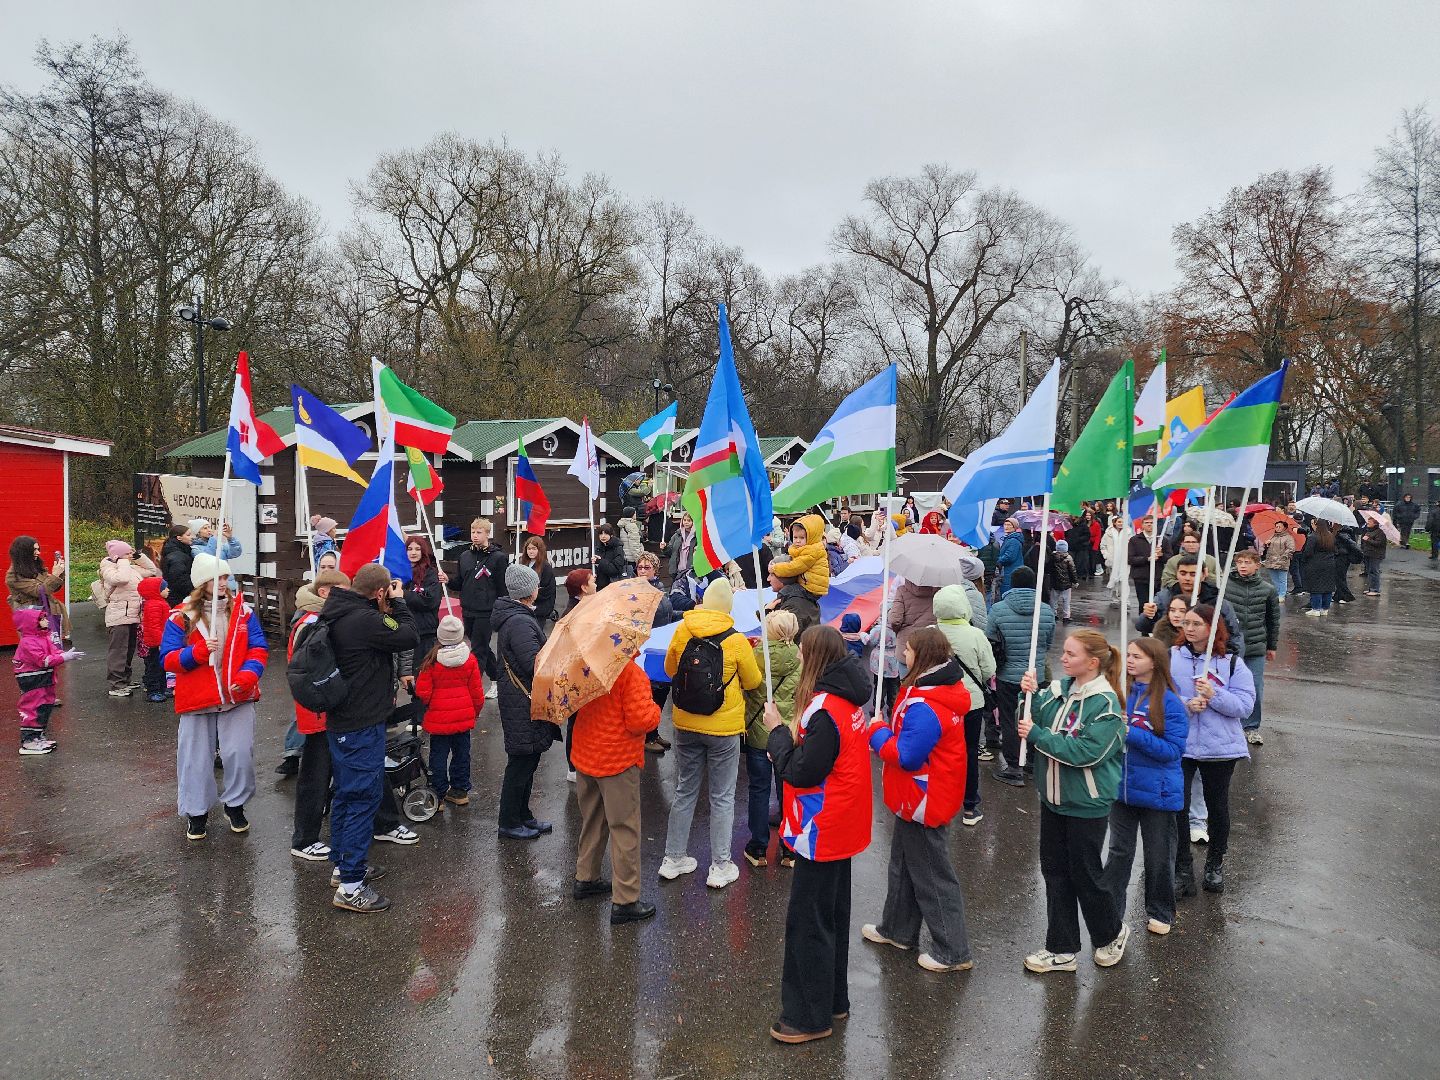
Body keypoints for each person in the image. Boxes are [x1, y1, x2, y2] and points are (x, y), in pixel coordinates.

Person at [763, 625, 873, 1044]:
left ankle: (808, 1017)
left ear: (814, 656)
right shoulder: (846, 700)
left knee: (808, 923)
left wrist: (777, 732)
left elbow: (800, 771)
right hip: (840, 823)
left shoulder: (825, 709)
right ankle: (832, 1000)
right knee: (831, 914)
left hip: (821, 826)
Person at [862, 628, 975, 973]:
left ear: (921, 656)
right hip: (919, 794)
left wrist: (877, 732)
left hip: (924, 796)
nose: (902, 653)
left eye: (906, 649)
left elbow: (908, 755)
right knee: (905, 866)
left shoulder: (927, 704)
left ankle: (953, 950)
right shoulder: (934, 690)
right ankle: (897, 929)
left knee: (932, 875)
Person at [1016, 630, 1128, 974]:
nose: (1062, 659)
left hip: (1086, 805)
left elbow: (1086, 753)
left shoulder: (1106, 705)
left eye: (1070, 654)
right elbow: (1029, 721)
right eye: (1063, 652)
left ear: (1092, 662)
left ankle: (1111, 933)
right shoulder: (1058, 691)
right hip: (1053, 801)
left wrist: (1037, 735)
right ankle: (1061, 948)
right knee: (1055, 873)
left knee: (1085, 874)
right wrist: (1028, 696)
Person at [317, 562, 418, 912]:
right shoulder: (364, 620)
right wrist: (400, 602)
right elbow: (408, 635)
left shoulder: (340, 611)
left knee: (346, 796)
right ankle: (351, 886)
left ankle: (343, 865)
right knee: (362, 797)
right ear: (379, 592)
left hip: (344, 720)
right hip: (359, 724)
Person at [660, 577, 763, 889]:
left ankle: (673, 857)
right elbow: (754, 680)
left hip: (686, 722)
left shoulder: (683, 629)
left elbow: (669, 669)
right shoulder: (736, 640)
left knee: (684, 790)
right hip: (723, 727)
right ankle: (720, 865)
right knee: (721, 796)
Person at [161, 553, 267, 843]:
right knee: (195, 759)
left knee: (239, 754)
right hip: (197, 699)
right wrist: (196, 653)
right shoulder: (181, 616)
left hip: (238, 696)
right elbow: (168, 659)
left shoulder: (243, 612)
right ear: (202, 582)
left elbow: (258, 648)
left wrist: (248, 676)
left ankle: (235, 805)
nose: (223, 582)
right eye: (216, 577)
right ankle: (196, 813)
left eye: (225, 577)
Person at [1102, 638, 1188, 936]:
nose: (1130, 660)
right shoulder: (1122, 695)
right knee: (1118, 854)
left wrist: (1131, 733)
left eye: (1137, 656)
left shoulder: (1170, 703)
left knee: (1158, 856)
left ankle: (1161, 910)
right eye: (1129, 656)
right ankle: (1111, 914)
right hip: (1122, 791)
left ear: (1155, 661)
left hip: (1158, 795)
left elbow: (1172, 751)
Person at [572, 645, 663, 924]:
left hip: (586, 754)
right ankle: (625, 900)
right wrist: (655, 709)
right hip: (616, 760)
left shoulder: (586, 666)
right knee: (624, 828)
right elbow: (639, 722)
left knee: (592, 819)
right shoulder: (632, 673)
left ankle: (585, 877)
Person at [1171, 605, 1255, 897]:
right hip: (1181, 746)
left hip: (1219, 748)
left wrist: (1213, 694)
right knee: (1177, 807)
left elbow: (1245, 707)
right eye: (1186, 623)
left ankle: (1214, 865)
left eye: (1196, 624)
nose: (1189, 628)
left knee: (1217, 806)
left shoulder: (1232, 663)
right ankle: (1182, 867)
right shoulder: (1172, 658)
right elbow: (1158, 693)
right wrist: (1185, 703)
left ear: (1212, 628)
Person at [287, 567, 350, 862]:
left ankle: (382, 821)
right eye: (344, 590)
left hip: (325, 709)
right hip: (319, 711)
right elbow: (309, 671)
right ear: (326, 593)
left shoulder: (318, 619)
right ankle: (304, 838)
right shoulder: (312, 623)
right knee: (314, 775)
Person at [493, 563, 557, 839]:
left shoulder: (520, 616)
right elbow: (534, 665)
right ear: (528, 591)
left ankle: (523, 815)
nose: (538, 588)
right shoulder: (519, 621)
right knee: (520, 762)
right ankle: (509, 821)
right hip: (522, 701)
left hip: (523, 699)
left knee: (528, 761)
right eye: (535, 585)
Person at [741, 611, 801, 868]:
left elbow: (746, 683)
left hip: (759, 732)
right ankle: (789, 849)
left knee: (759, 789)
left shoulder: (757, 656)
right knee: (787, 788)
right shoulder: (801, 657)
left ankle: (758, 847)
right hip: (788, 734)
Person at [986, 566, 1055, 787]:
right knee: (1035, 717)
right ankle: (1033, 762)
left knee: (1008, 720)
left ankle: (1014, 766)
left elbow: (991, 640)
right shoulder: (1046, 610)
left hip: (1007, 674)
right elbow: (1049, 642)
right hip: (1037, 674)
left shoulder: (998, 609)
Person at [933, 584, 995, 827]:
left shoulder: (930, 633)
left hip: (938, 703)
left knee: (938, 752)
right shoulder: (976, 635)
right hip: (971, 703)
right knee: (969, 752)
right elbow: (989, 670)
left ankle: (939, 802)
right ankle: (970, 806)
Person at [415, 615, 484, 807]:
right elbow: (477, 692)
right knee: (462, 754)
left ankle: (438, 794)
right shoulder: (469, 660)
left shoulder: (431, 661)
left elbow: (423, 691)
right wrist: (475, 711)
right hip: (462, 718)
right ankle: (460, 790)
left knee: (438, 755)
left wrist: (430, 705)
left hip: (439, 718)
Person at [1135, 556, 1245, 652]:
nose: (1187, 578)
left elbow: (1234, 636)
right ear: (1176, 574)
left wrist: (1233, 664)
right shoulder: (1165, 597)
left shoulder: (1217, 601)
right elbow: (1142, 626)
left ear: (1204, 575)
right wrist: (1147, 615)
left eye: (1193, 574)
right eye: (1183, 573)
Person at [1227, 549, 1279, 746]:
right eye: (1239, 562)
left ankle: (1251, 727)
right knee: (1229, 687)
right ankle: (1231, 725)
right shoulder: (1225, 585)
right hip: (1230, 647)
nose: (1242, 565)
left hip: (1256, 646)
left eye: (1247, 562)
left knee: (1255, 687)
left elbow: (1273, 620)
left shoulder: (1268, 589)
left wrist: (1272, 646)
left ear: (1258, 565)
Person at [98, 539, 159, 697]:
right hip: (119, 617)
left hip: (132, 616)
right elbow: (121, 579)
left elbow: (152, 570)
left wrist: (138, 556)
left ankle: (125, 680)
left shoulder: (129, 568)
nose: (130, 556)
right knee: (118, 651)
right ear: (117, 556)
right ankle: (116, 685)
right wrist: (122, 562)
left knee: (128, 650)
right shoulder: (108, 568)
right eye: (127, 553)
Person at [13, 608, 79, 754]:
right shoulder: (28, 642)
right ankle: (29, 741)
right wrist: (64, 657)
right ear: (31, 623)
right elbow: (43, 660)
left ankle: (38, 736)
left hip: (44, 677)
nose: (47, 621)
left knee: (44, 706)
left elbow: (53, 653)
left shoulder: (43, 637)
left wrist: (64, 654)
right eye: (42, 619)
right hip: (32, 678)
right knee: (33, 707)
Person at [457, 518, 508, 685]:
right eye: (473, 532)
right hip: (468, 608)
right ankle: (497, 679)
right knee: (482, 646)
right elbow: (459, 582)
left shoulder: (498, 558)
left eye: (479, 532)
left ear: (487, 534)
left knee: (478, 650)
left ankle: (472, 687)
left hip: (486, 611)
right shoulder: (465, 556)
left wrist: (502, 609)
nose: (475, 536)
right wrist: (446, 580)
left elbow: (502, 587)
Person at [633, 551, 674, 754]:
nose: (642, 571)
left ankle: (654, 732)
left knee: (661, 691)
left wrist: (687, 613)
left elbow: (667, 612)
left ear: (655, 570)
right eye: (639, 567)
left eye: (646, 567)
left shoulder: (660, 589)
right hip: (645, 651)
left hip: (660, 648)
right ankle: (646, 736)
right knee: (648, 694)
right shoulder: (635, 592)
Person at [5, 536, 71, 646]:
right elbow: (39, 591)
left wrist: (60, 574)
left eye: (38, 549)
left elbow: (52, 588)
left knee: (52, 653)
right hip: (32, 620)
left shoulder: (35, 568)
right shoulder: (13, 576)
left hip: (47, 616)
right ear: (24, 552)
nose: (38, 553)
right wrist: (55, 575)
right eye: (34, 550)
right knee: (37, 654)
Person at [402, 535, 444, 664]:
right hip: (404, 631)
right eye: (410, 549)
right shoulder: (400, 573)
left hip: (425, 632)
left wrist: (404, 594)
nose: (413, 552)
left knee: (423, 671)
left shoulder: (431, 573)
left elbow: (430, 601)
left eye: (417, 549)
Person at [771, 514, 830, 600]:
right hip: (807, 584)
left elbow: (794, 567)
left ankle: (779, 606)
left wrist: (775, 568)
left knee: (786, 592)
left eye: (802, 538)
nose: (797, 541)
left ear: (811, 537)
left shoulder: (812, 551)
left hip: (811, 588)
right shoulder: (805, 549)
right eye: (795, 537)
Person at [138, 576, 170, 702]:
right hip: (154, 644)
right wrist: (160, 642)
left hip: (159, 642)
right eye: (164, 588)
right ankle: (153, 690)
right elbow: (153, 626)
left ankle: (161, 688)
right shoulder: (154, 605)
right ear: (156, 590)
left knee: (161, 667)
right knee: (154, 667)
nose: (168, 590)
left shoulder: (159, 603)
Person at [1296, 522, 1339, 616]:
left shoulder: (1313, 537)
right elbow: (1336, 550)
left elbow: (1308, 552)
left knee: (1316, 587)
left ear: (1316, 525)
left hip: (1315, 564)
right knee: (1327, 587)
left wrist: (1303, 559)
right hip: (1330, 564)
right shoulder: (1331, 536)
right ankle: (1325, 609)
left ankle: (1316, 609)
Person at [888, 579, 940, 654]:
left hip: (907, 644)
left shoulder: (902, 591)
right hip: (930, 643)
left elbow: (894, 620)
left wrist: (899, 631)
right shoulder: (938, 592)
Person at [766, 568, 820, 636]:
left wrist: (767, 613)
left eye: (771, 575)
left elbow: (784, 634)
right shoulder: (794, 597)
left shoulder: (794, 603)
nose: (768, 579)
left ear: (783, 577)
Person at [1128, 517, 1165, 607]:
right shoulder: (1134, 540)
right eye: (1147, 523)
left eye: (1152, 523)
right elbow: (1130, 559)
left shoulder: (1162, 540)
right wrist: (1147, 559)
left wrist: (1161, 555)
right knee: (1143, 604)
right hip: (1141, 577)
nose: (1149, 524)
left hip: (1157, 577)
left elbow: (1169, 557)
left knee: (1156, 604)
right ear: (1142, 525)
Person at [520, 536, 557, 623]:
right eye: (528, 548)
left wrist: (529, 595)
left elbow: (548, 589)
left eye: (534, 548)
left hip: (539, 608)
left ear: (539, 550)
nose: (531, 551)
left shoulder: (545, 567)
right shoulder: (523, 563)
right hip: (525, 607)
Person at [159, 524, 196, 607]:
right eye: (188, 535)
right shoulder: (177, 556)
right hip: (179, 597)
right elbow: (179, 579)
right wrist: (195, 590)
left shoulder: (179, 552)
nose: (192, 537)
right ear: (179, 538)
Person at [1261, 519, 1297, 600]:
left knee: (1282, 579)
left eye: (1279, 527)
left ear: (1284, 528)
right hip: (1271, 561)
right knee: (1274, 579)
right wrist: (1266, 544)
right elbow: (1266, 548)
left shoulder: (1288, 537)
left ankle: (1282, 595)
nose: (1277, 528)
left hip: (1282, 561)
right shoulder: (1272, 536)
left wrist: (1283, 557)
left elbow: (1291, 548)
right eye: (1276, 526)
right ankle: (1277, 593)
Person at [1100, 516, 1131, 601]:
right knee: (1113, 578)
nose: (1121, 524)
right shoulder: (1108, 534)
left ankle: (1124, 598)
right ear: (1115, 523)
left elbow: (1132, 545)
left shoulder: (1128, 533)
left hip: (1125, 560)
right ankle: (1114, 595)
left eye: (1122, 522)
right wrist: (1106, 555)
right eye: (1119, 522)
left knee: (1124, 579)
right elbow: (1103, 546)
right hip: (1112, 560)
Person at [1047, 540, 1078, 622]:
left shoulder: (1052, 557)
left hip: (1055, 583)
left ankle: (1053, 614)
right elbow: (1073, 571)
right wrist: (1075, 581)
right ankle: (1066, 616)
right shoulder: (1068, 558)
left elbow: (1048, 568)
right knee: (1066, 601)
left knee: (1053, 600)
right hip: (1066, 584)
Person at [592, 521, 627, 589]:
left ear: (611, 535)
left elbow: (615, 569)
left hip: (612, 585)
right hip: (598, 585)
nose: (603, 536)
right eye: (601, 534)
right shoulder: (597, 548)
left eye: (606, 534)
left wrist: (600, 561)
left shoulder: (617, 548)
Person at [664, 511, 697, 580]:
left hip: (691, 571)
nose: (686, 522)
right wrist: (664, 548)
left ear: (693, 522)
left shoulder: (697, 537)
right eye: (684, 520)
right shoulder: (677, 535)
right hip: (677, 571)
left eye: (689, 520)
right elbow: (669, 552)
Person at [995, 519, 1023, 598]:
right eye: (1005, 524)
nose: (1006, 527)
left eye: (1009, 525)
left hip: (1010, 572)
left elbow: (1009, 557)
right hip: (1009, 571)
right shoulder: (1009, 539)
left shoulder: (1013, 541)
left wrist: (997, 560)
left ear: (1014, 527)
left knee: (1008, 594)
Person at [1359, 518, 1387, 597]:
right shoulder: (1369, 531)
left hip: (1376, 555)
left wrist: (1368, 540)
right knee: (1369, 571)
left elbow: (1379, 543)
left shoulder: (1380, 533)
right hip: (1368, 554)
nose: (1367, 523)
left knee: (1374, 572)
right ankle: (1371, 588)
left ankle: (1375, 589)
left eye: (1370, 522)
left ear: (1375, 523)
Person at [1065, 510, 1094, 581]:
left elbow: (1087, 535)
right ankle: (1072, 575)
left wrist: (1079, 539)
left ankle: (1079, 575)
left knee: (1080, 562)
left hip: (1080, 547)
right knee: (1071, 562)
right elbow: (1066, 534)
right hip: (1071, 546)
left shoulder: (1083, 524)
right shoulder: (1068, 523)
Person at [618, 507, 645, 572]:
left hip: (626, 556)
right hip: (632, 557)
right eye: (635, 513)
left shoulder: (623, 524)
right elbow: (634, 544)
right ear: (632, 514)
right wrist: (638, 559)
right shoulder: (631, 526)